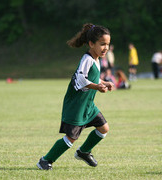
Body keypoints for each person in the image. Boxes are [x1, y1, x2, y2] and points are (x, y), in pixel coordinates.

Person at [37, 23, 114, 170]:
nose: (106, 48)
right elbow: (81, 79)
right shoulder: (87, 59)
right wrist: (97, 87)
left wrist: (104, 82)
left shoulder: (97, 59)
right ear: (91, 44)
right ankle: (46, 160)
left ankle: (84, 152)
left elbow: (92, 77)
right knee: (71, 138)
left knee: (104, 128)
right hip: (76, 106)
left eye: (108, 44)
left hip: (88, 105)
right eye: (102, 44)